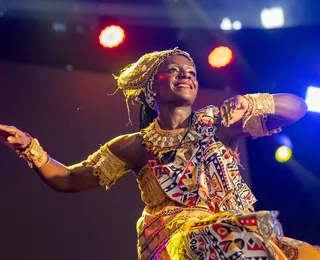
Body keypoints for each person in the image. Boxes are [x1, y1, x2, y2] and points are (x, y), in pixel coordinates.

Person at [0, 48, 319, 260]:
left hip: (233, 234)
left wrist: (252, 103)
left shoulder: (221, 123)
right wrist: (30, 148)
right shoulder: (133, 145)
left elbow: (298, 108)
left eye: (192, 72)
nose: (187, 75)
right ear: (152, 87)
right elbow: (69, 179)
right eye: (175, 70)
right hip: (176, 240)